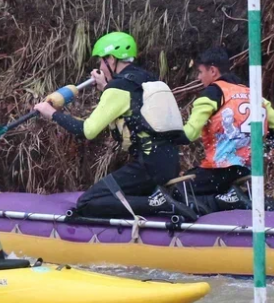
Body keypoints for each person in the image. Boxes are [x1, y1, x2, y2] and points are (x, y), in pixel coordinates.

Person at [33, 31, 188, 218]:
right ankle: (158, 201)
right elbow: (133, 108)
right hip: (169, 163)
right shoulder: (148, 79)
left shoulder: (119, 88)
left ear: (112, 60)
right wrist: (106, 87)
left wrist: (52, 114)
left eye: (101, 61)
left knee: (87, 202)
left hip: (148, 167)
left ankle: (160, 204)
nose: (100, 66)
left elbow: (87, 131)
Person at [181, 45, 274, 208]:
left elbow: (190, 134)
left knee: (178, 189)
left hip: (218, 170)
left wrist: (167, 136)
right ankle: (240, 200)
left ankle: (229, 203)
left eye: (201, 72)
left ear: (213, 71)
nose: (199, 77)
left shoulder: (212, 94)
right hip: (246, 169)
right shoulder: (253, 93)